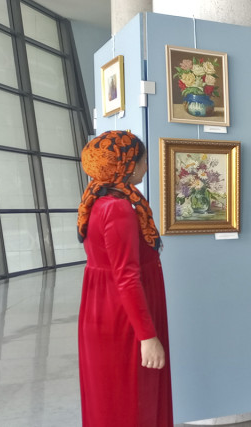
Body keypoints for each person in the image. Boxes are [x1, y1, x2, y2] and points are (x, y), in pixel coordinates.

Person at [76, 130, 173, 426]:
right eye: (142, 160)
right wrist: (147, 337)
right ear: (127, 165)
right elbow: (127, 278)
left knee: (111, 398)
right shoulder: (118, 208)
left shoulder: (96, 199)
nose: (146, 166)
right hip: (124, 317)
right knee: (132, 400)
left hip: (104, 308)